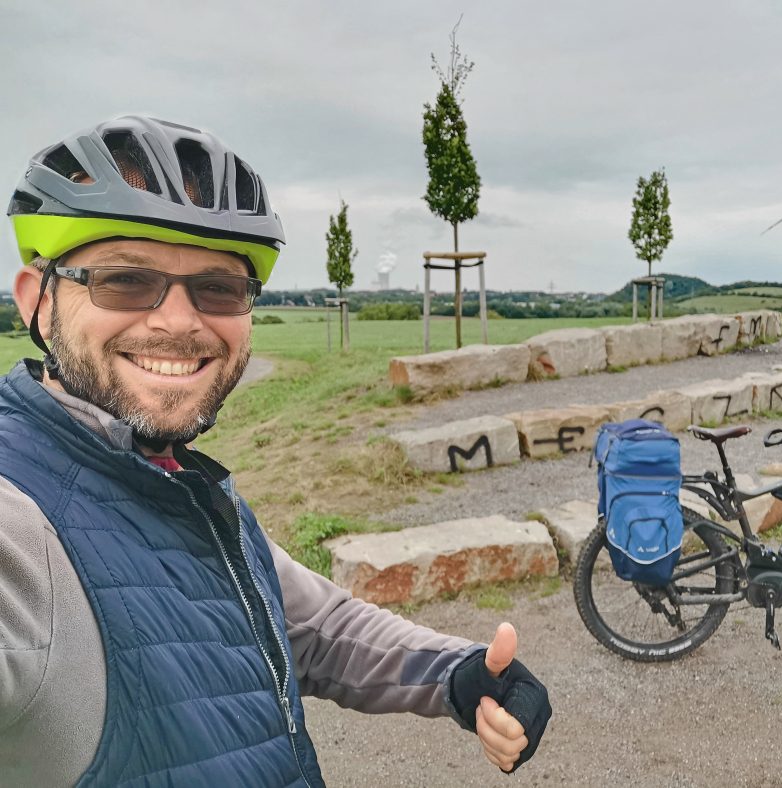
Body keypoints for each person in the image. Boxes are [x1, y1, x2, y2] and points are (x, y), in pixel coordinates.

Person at [0, 115, 551, 786]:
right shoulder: (19, 518)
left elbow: (311, 622)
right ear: (37, 301)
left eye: (219, 288)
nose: (179, 320)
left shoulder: (178, 484)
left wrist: (455, 672)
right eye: (125, 280)